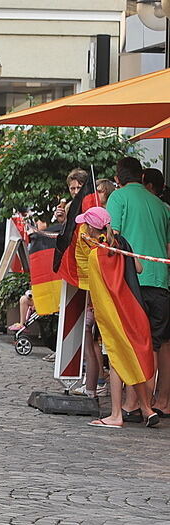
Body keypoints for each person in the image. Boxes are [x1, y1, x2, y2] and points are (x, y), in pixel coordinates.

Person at [81, 207, 159, 428]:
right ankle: (146, 408)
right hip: (134, 312)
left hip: (116, 317)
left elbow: (97, 294)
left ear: (90, 229)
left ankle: (116, 414)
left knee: (117, 361)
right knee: (132, 360)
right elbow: (139, 268)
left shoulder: (96, 255)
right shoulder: (121, 245)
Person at [107, 157, 170, 419]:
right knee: (153, 344)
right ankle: (150, 404)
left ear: (118, 178)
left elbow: (112, 239)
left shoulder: (118, 198)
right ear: (141, 176)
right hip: (161, 281)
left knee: (130, 343)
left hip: (133, 280)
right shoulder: (161, 205)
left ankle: (132, 403)